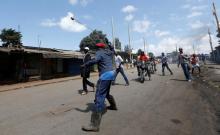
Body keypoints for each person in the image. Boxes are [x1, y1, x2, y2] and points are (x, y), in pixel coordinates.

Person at [81, 42, 117, 132]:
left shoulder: (99, 53)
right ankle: (113, 106)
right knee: (106, 93)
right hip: (112, 74)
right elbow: (113, 51)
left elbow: (94, 61)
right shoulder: (108, 52)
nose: (96, 49)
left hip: (105, 75)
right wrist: (111, 45)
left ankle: (94, 125)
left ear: (98, 48)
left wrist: (85, 65)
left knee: (99, 97)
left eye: (96, 47)